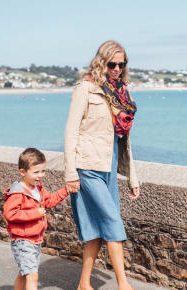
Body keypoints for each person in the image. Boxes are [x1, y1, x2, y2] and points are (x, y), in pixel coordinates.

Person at [64, 40, 140, 290]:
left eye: (121, 64)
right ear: (102, 61)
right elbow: (71, 132)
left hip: (108, 169)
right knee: (113, 222)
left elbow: (125, 141)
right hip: (87, 167)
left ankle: (84, 283)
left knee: (97, 228)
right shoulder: (85, 89)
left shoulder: (122, 93)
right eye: (112, 64)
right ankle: (123, 284)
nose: (117, 68)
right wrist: (70, 173)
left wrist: (133, 178)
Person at [3, 148, 71, 290]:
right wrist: (35, 213)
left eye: (43, 171)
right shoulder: (18, 193)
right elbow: (10, 215)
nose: (40, 175)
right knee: (32, 276)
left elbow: (50, 200)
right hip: (22, 240)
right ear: (23, 172)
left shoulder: (38, 188)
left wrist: (67, 189)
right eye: (36, 172)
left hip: (35, 239)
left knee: (24, 273)